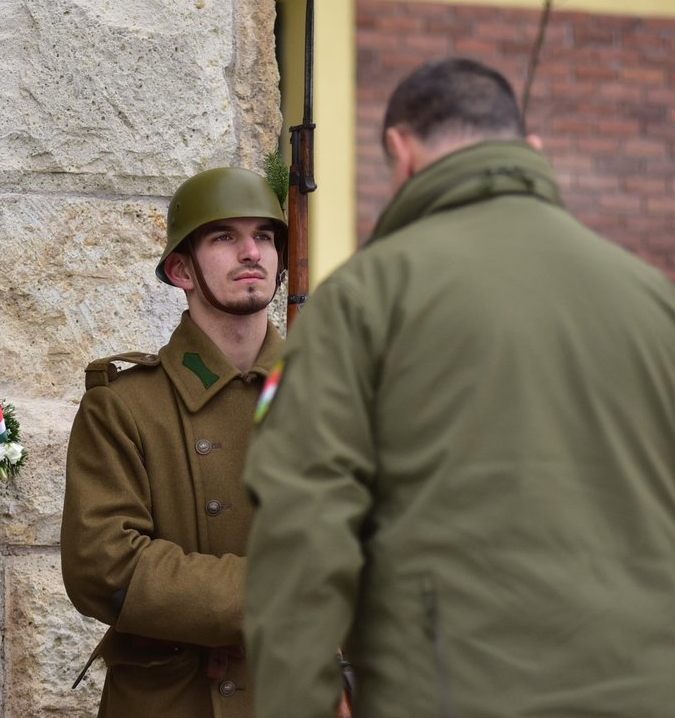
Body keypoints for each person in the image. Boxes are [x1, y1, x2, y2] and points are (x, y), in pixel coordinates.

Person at [244, 57, 675, 717]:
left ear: (401, 151)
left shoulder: (363, 298)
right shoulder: (654, 301)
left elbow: (302, 537)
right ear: (532, 149)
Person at [62, 166, 287, 718]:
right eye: (224, 237)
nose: (251, 252)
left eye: (264, 236)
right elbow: (103, 569)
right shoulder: (125, 406)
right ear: (181, 269)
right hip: (172, 701)